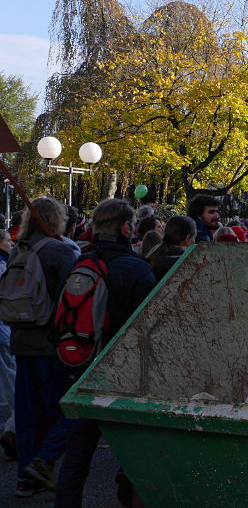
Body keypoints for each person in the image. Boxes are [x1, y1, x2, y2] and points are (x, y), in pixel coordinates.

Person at [54, 198, 156, 508]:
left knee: (77, 455)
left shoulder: (78, 263)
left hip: (82, 367)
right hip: (125, 374)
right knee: (138, 456)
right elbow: (150, 325)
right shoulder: (137, 268)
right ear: (127, 228)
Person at [9, 198, 78, 497]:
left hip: (21, 340)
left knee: (27, 415)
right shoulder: (61, 251)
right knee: (61, 412)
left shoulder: (18, 249)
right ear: (57, 219)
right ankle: (43, 462)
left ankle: (27, 476)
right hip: (52, 345)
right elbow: (74, 296)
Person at [0, 229, 16, 461]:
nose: (11, 245)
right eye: (8, 241)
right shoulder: (3, 267)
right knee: (13, 378)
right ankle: (15, 426)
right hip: (3, 328)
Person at [150, 216, 196, 282]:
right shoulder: (187, 264)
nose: (194, 241)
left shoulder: (153, 255)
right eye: (194, 237)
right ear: (187, 238)